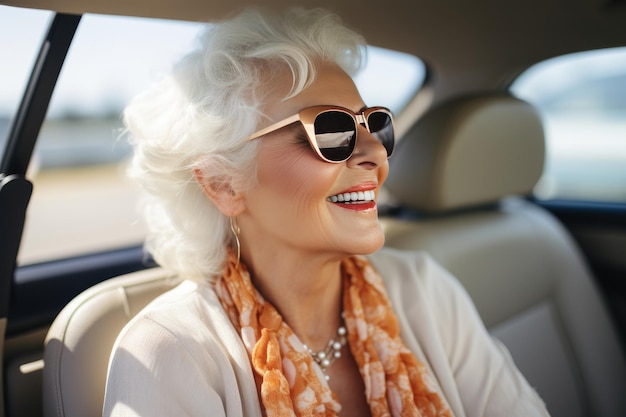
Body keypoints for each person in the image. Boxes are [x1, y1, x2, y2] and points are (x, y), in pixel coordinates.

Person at [103, 7, 550, 417]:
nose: (376, 152)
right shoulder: (172, 353)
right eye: (333, 131)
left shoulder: (425, 290)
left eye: (375, 124)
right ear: (223, 184)